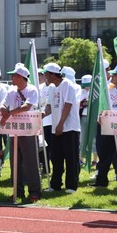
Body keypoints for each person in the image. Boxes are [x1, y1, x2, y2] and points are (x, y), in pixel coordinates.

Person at [0, 65, 42, 202]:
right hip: (13, 131)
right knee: (15, 163)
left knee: (31, 163)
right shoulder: (11, 91)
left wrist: (9, 113)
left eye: (14, 75)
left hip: (28, 130)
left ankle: (35, 191)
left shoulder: (32, 89)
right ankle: (17, 191)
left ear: (21, 77)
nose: (12, 77)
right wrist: (3, 110)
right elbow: (2, 104)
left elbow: (27, 106)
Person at [43, 63, 81, 193]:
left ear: (53, 74)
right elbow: (49, 106)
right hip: (56, 128)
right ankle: (55, 185)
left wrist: (61, 124)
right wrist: (42, 114)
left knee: (71, 158)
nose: (44, 77)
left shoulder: (67, 85)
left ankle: (71, 186)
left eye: (46, 74)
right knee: (56, 158)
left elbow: (68, 105)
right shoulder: (52, 88)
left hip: (69, 127)